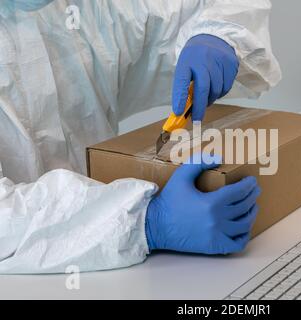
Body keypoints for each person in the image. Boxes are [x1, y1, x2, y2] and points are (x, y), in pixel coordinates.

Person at [0, 0, 281, 273]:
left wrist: (216, 35)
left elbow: (188, 9)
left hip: (118, 271)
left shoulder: (71, 10)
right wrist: (142, 221)